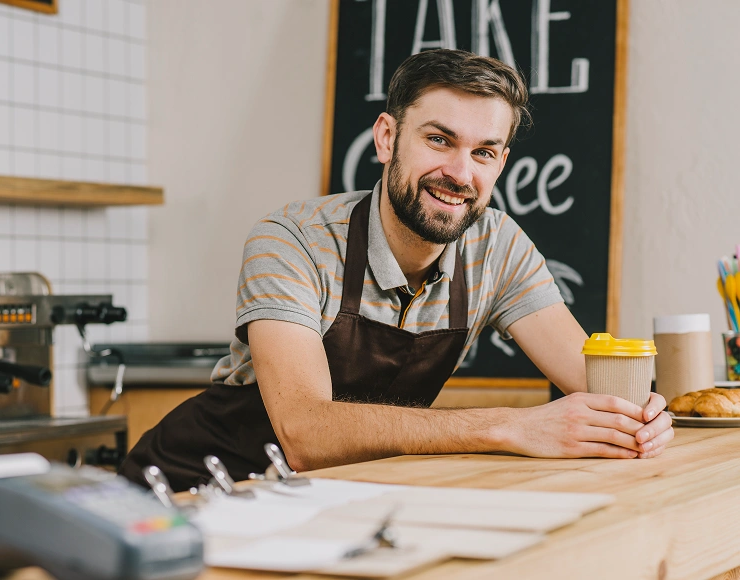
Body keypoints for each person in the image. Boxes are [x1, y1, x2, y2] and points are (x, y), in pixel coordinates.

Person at [120, 49, 674, 492]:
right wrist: (512, 425)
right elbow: (306, 433)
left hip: (333, 497)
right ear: (387, 138)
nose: (460, 173)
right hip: (195, 491)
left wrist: (642, 416)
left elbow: (597, 387)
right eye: (438, 140)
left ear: (502, 162)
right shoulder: (292, 241)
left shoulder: (497, 247)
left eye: (484, 152)